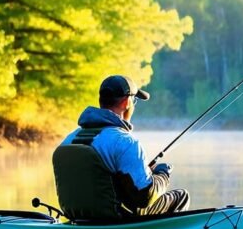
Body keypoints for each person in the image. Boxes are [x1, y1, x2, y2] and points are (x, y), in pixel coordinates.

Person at [53, 75, 190, 220]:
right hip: (115, 221)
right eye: (134, 100)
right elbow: (145, 197)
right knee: (181, 196)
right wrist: (162, 174)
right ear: (126, 102)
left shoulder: (69, 139)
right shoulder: (125, 141)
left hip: (76, 217)